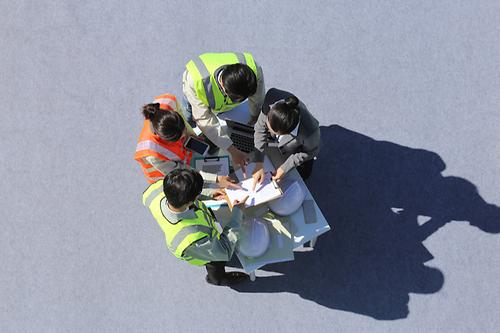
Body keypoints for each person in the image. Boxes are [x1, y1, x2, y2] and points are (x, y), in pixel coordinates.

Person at [142, 168, 249, 286]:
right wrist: (237, 214)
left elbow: (180, 194)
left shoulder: (158, 190)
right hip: (202, 252)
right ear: (189, 201)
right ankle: (217, 279)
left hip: (200, 230)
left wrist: (208, 194)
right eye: (198, 193)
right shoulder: (190, 238)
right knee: (216, 264)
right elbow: (224, 250)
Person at [182, 52, 266, 173]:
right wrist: (233, 151)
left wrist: (255, 115)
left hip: (220, 100)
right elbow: (205, 120)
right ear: (223, 87)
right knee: (189, 119)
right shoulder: (195, 82)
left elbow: (258, 96)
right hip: (193, 94)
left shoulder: (253, 70)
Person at [134, 93, 238, 189]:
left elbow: (182, 118)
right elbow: (181, 172)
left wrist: (191, 136)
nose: (184, 136)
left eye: (183, 131)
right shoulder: (152, 153)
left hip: (184, 158)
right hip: (166, 177)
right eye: (180, 138)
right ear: (164, 138)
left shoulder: (168, 102)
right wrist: (216, 178)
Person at [252, 88, 321, 188]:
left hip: (299, 149)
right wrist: (258, 161)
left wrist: (285, 168)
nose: (268, 131)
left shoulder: (310, 133)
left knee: (304, 174)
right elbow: (260, 128)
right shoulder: (271, 97)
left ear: (288, 133)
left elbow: (310, 152)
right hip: (282, 145)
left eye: (272, 131)